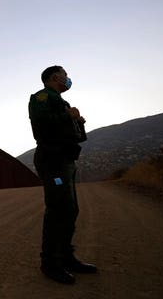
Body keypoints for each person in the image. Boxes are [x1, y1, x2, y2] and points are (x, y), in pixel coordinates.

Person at [28, 65, 97, 284]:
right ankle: (50, 262)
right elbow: (40, 124)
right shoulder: (41, 97)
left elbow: (77, 136)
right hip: (53, 162)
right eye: (65, 75)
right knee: (59, 208)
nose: (68, 79)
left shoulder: (62, 102)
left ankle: (66, 256)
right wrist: (67, 116)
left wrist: (78, 121)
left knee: (70, 209)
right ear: (54, 77)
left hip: (65, 160)